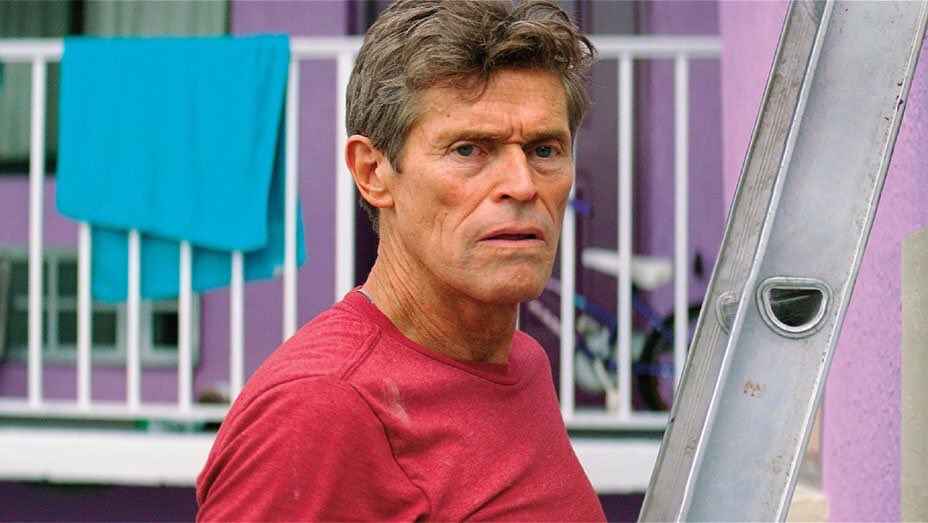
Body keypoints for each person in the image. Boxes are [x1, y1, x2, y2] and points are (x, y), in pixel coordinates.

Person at [196, 0, 603, 520]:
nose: (523, 185)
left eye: (545, 150)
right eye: (468, 150)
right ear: (372, 172)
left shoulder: (519, 359)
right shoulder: (321, 407)